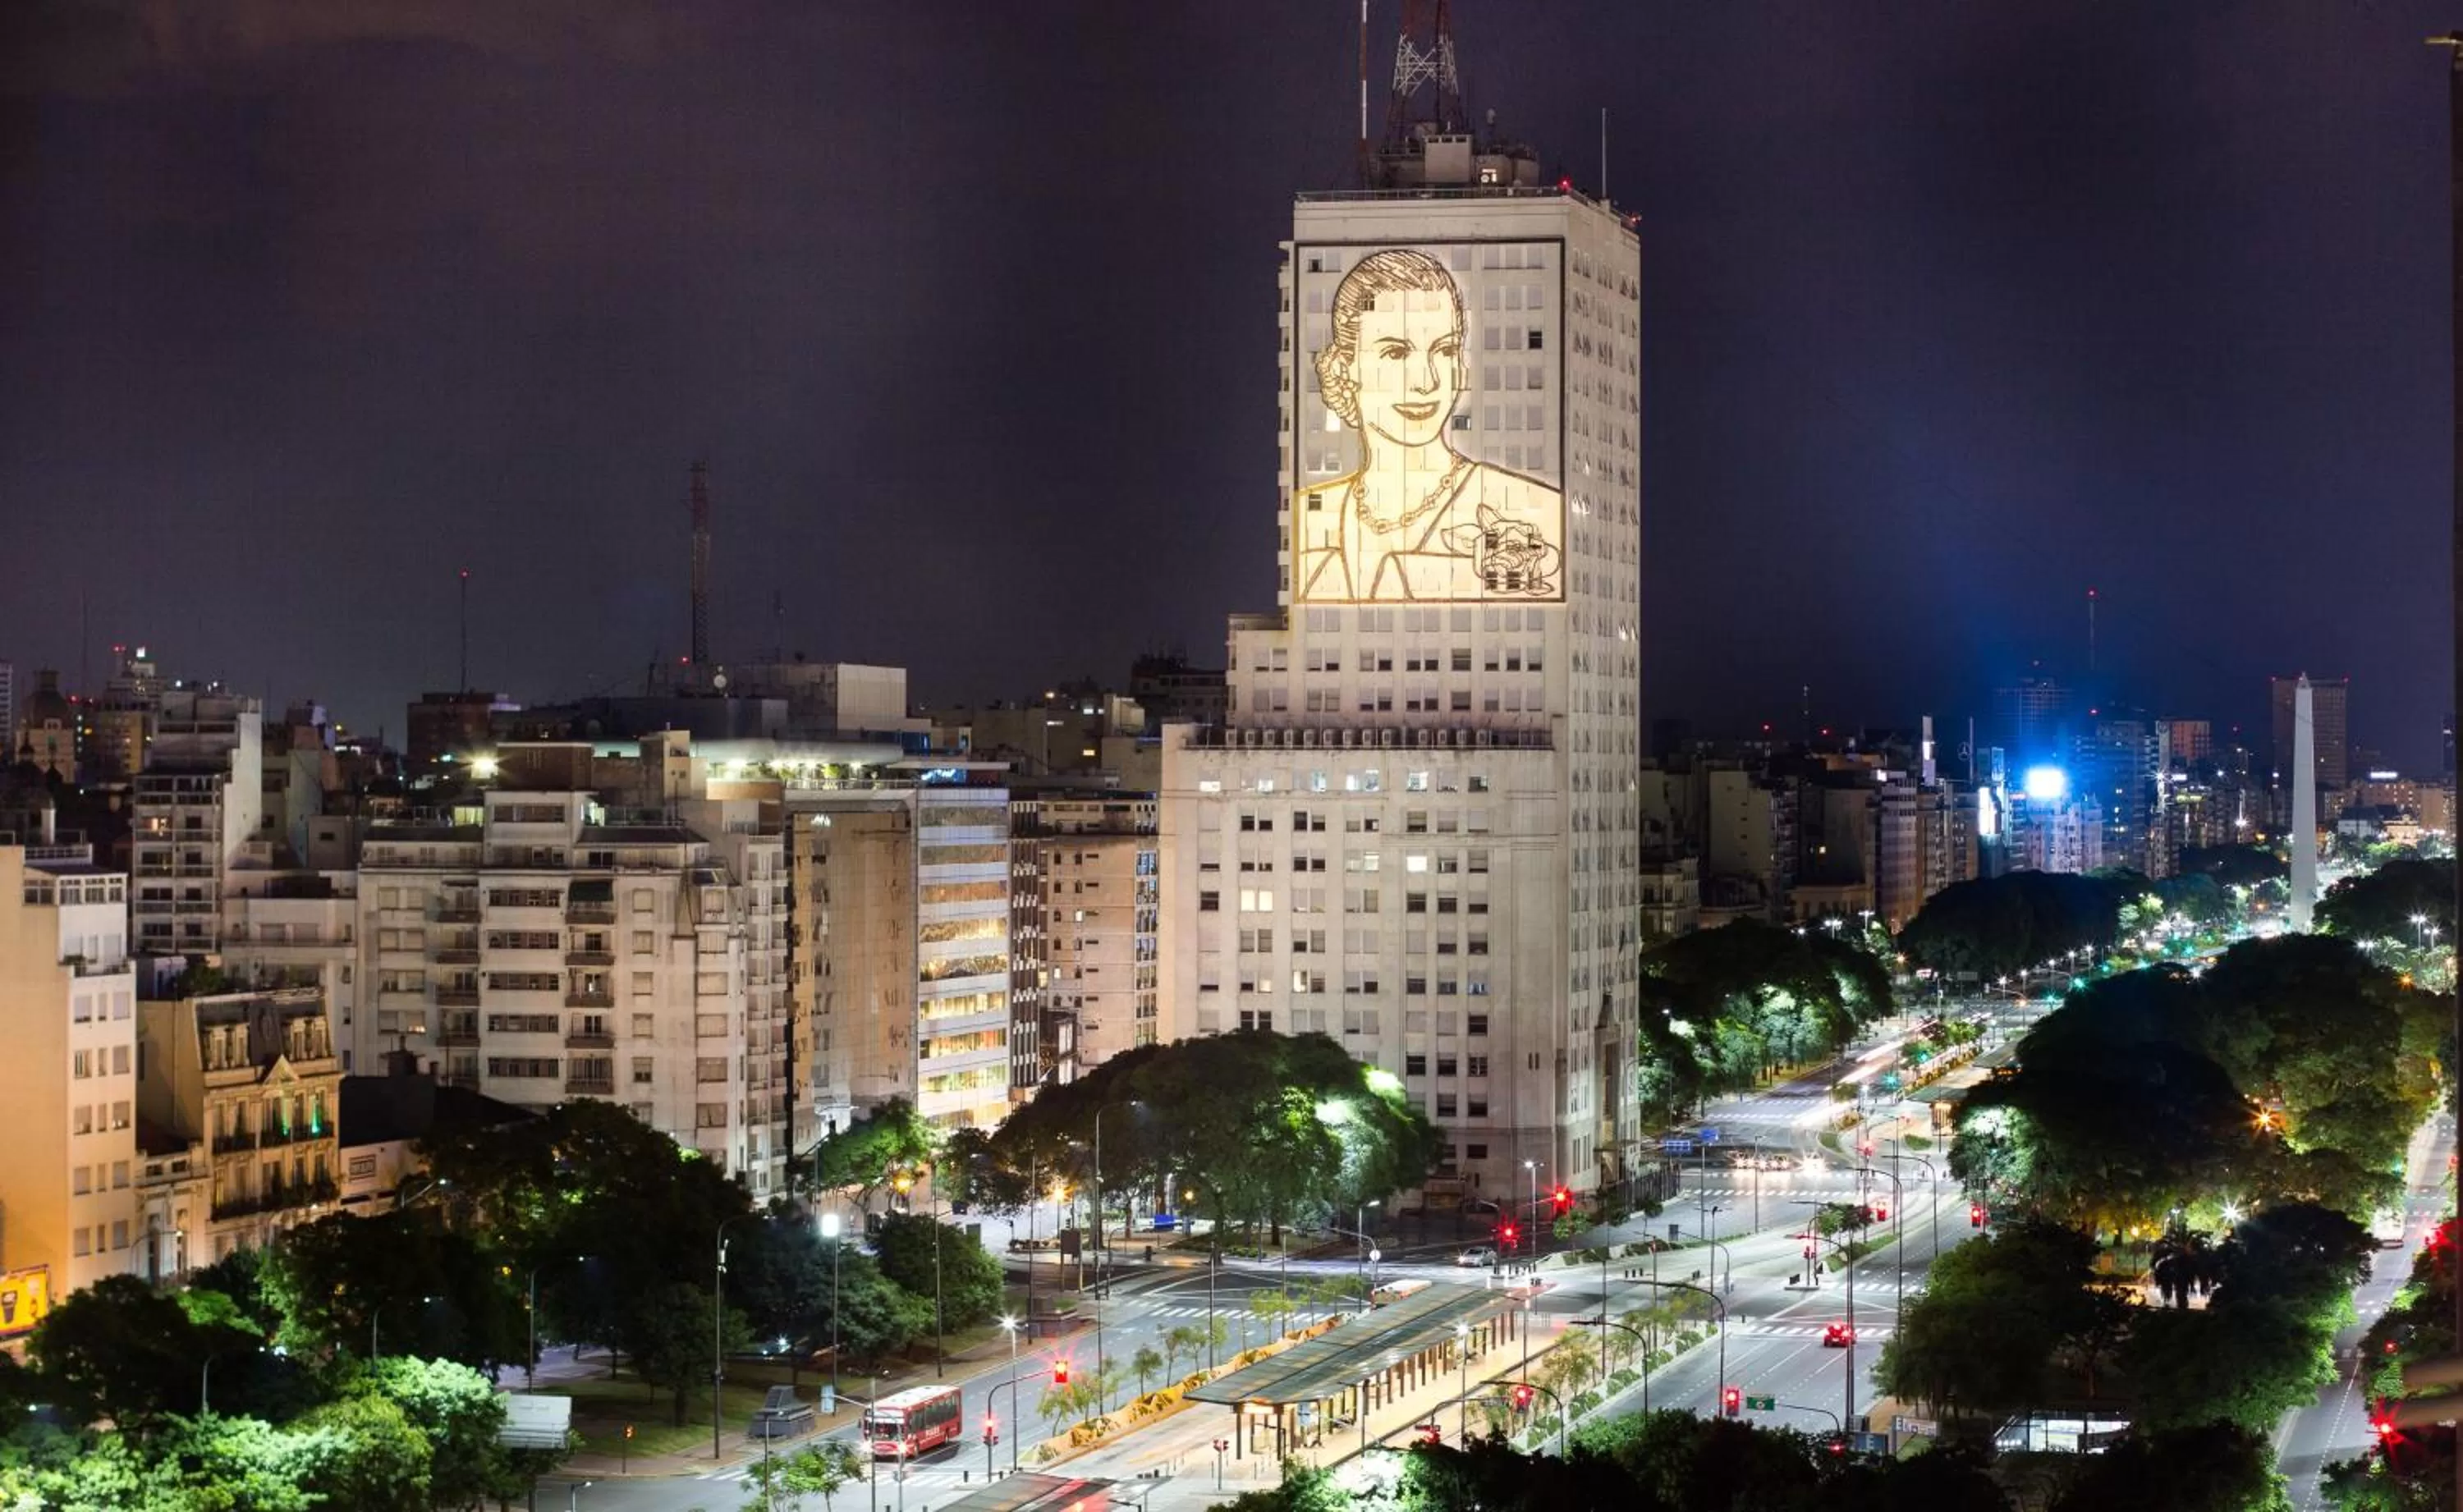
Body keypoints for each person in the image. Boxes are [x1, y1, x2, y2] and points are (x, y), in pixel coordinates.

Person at [1295, 247, 1562, 603]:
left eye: (1445, 351)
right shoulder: (1308, 513)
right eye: (1396, 353)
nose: (1427, 381)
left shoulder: (1529, 505)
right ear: (1345, 367)